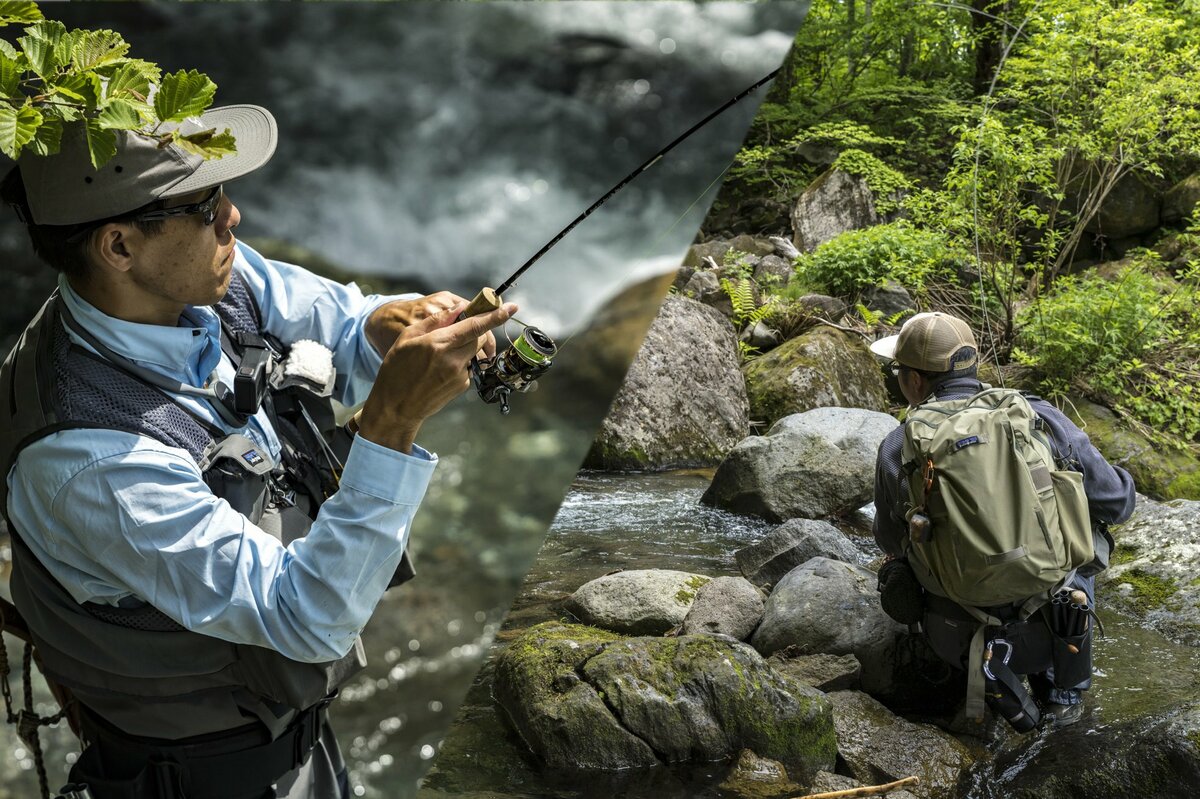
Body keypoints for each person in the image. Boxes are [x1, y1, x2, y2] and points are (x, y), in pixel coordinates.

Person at [0, 104, 514, 799]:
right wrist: (391, 423)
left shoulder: (190, 283)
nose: (231, 217)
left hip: (296, 748)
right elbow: (305, 617)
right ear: (118, 247)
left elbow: (340, 322)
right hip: (201, 778)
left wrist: (385, 327)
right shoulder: (91, 461)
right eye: (204, 203)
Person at [870, 312, 1136, 728]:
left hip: (955, 638)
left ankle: (980, 694)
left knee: (898, 563)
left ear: (916, 381)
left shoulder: (895, 448)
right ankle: (1062, 693)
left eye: (899, 370)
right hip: (1054, 632)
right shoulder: (1037, 416)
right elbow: (1117, 505)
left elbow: (890, 541)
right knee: (1090, 534)